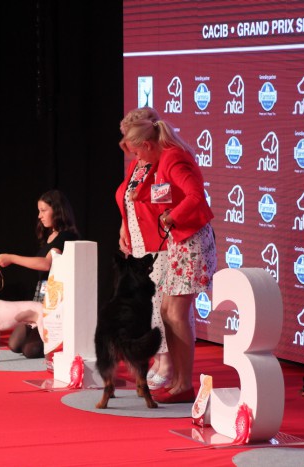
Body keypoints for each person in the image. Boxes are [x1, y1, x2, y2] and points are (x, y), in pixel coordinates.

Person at [118, 106, 217, 404]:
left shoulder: (173, 157)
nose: (137, 159)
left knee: (175, 313)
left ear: (148, 145)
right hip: (179, 243)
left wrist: (172, 216)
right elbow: (168, 193)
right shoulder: (162, 159)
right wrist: (144, 197)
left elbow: (195, 195)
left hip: (192, 242)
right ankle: (177, 381)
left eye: (138, 152)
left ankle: (184, 384)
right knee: (164, 311)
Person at [0, 189, 80, 359]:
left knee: (30, 350)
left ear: (57, 210)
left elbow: (46, 264)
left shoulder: (66, 236)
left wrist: (11, 258)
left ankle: (57, 338)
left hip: (54, 302)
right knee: (14, 344)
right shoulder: (49, 235)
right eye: (39, 211)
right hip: (39, 299)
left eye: (43, 210)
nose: (40, 216)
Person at [115, 136, 171, 391]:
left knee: (160, 303)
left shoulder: (163, 161)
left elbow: (165, 201)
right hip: (138, 243)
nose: (133, 155)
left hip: (159, 242)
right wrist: (124, 227)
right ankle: (156, 357)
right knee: (147, 304)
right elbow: (127, 200)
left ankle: (167, 362)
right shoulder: (135, 165)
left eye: (135, 149)